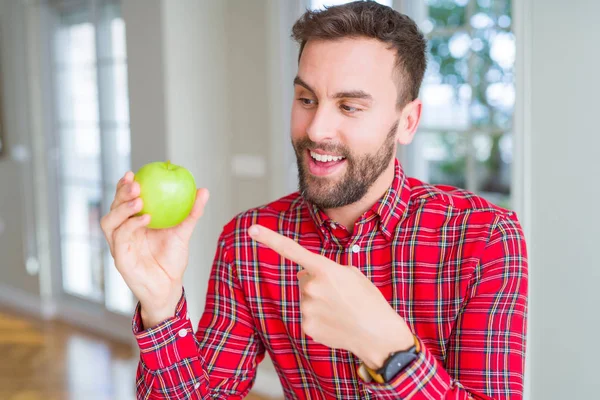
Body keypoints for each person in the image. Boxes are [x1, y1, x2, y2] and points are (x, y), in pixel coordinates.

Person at [100, 1, 528, 399]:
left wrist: (387, 349)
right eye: (306, 99)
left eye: (350, 107)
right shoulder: (250, 243)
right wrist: (160, 306)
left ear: (407, 121)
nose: (317, 128)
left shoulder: (485, 238)